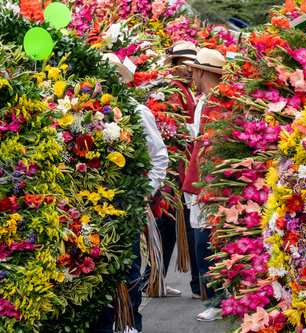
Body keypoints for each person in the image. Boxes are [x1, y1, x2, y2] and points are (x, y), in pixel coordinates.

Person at [94, 53, 169, 333]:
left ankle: (130, 324)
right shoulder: (86, 110)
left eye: (111, 76)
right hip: (94, 206)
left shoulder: (138, 111)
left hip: (127, 204)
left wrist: (143, 193)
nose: (104, 82)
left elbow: (159, 156)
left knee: (129, 267)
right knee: (97, 269)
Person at [141, 41, 201, 299]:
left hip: (180, 170)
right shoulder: (174, 90)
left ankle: (154, 281)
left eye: (192, 66)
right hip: (174, 173)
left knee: (173, 228)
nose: (189, 70)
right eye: (184, 65)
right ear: (174, 66)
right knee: (170, 227)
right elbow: (172, 131)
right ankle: (154, 282)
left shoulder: (185, 90)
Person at [182, 48, 226, 322]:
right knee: (203, 243)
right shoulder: (206, 100)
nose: (190, 74)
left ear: (200, 72)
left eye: (193, 69)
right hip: (203, 184)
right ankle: (215, 299)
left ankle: (218, 301)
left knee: (206, 244)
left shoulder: (216, 102)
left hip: (210, 186)